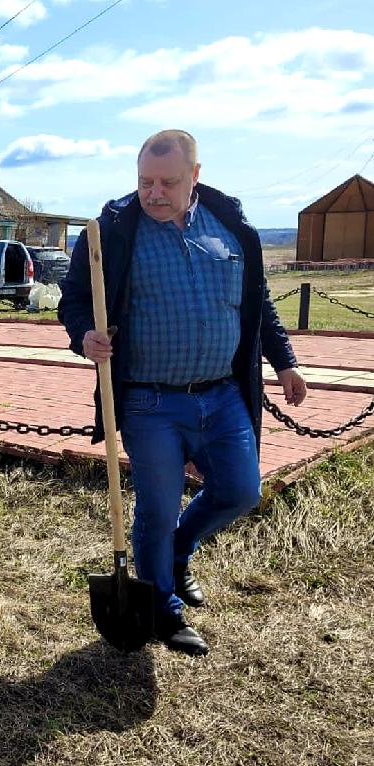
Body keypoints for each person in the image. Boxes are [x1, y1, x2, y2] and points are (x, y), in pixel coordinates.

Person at [58, 129, 308, 656]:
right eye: (145, 181)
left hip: (222, 395)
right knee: (156, 505)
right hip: (150, 401)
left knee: (241, 492)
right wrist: (85, 334)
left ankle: (177, 552)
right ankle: (163, 611)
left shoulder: (232, 227)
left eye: (167, 182)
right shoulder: (111, 232)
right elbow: (75, 299)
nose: (153, 193)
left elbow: (256, 304)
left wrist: (283, 362)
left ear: (194, 176)